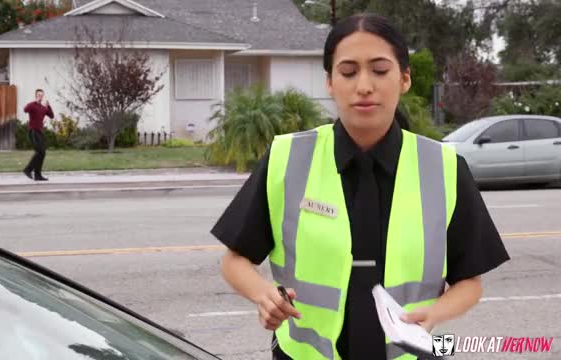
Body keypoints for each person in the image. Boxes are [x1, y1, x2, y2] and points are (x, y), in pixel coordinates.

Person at [211, 13, 510, 360]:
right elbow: (234, 261)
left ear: (405, 79)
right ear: (329, 82)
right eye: (348, 72)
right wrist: (264, 295)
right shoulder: (287, 158)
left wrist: (436, 314)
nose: (364, 86)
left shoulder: (443, 167)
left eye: (380, 71)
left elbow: (469, 282)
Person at [23, 89, 54, 181]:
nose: (40, 96)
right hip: (33, 131)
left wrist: (49, 106)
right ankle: (27, 169)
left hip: (40, 132)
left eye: (41, 95)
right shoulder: (32, 105)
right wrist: (34, 102)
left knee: (42, 153)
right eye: (38, 95)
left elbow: (51, 116)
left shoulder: (43, 108)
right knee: (39, 151)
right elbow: (25, 110)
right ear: (36, 95)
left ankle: (37, 175)